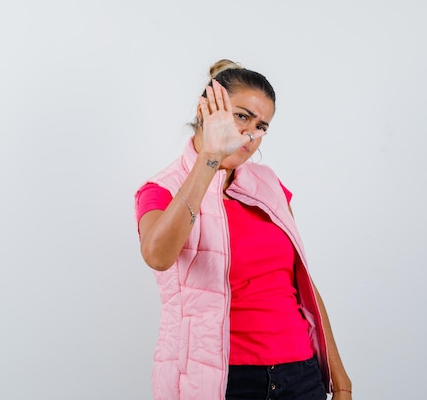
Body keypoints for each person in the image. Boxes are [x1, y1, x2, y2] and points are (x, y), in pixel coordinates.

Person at [135, 59, 352, 400]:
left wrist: (340, 380)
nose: (251, 134)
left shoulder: (268, 185)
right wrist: (210, 157)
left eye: (262, 125)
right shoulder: (161, 189)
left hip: (301, 374)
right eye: (241, 116)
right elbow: (158, 256)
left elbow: (302, 283)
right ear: (205, 110)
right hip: (222, 381)